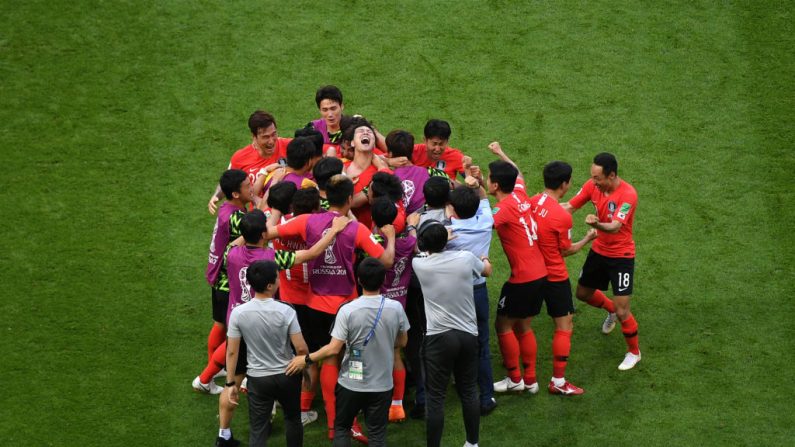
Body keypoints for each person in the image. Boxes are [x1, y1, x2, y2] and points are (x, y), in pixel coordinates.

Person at [271, 174, 396, 441]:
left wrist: (240, 241)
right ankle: (348, 420)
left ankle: (328, 421)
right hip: (346, 308)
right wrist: (391, 237)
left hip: (315, 305)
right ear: (351, 199)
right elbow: (385, 260)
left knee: (327, 359)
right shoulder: (357, 229)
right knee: (349, 361)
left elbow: (269, 232)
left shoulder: (306, 221)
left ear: (326, 196)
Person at [213, 210, 349, 447]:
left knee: (233, 381)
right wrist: (335, 230)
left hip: (238, 324)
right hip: (266, 324)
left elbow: (238, 241)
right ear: (264, 233)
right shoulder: (272, 258)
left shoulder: (231, 253)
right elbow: (312, 253)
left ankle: (223, 434)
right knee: (278, 370)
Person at [287, 258, 409, 447]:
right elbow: (402, 341)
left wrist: (307, 359)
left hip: (352, 382)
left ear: (358, 280)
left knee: (342, 428)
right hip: (382, 384)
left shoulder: (347, 310)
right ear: (384, 279)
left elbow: (334, 348)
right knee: (377, 434)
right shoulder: (396, 308)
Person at [413, 220, 491, 447]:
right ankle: (472, 443)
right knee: (468, 390)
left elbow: (418, 249)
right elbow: (487, 270)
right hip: (468, 335)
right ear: (446, 241)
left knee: (435, 398)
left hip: (438, 338)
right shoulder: (466, 258)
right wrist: (484, 258)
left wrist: (423, 232)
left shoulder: (420, 264)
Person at [562, 152, 641, 370]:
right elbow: (569, 206)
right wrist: (542, 209)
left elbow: (616, 226)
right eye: (592, 177)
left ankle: (634, 352)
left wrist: (596, 225)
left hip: (621, 257)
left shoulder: (628, 195)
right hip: (598, 251)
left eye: (598, 178)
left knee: (624, 309)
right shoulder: (592, 186)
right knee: (583, 294)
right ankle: (611, 310)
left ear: (612, 175)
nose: (593, 182)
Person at [528, 161, 598, 394]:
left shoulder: (532, 201)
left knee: (522, 325)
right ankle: (558, 382)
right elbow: (566, 250)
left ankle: (524, 378)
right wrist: (588, 237)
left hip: (530, 273)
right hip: (554, 276)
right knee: (564, 326)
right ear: (565, 184)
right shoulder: (562, 217)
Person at [486, 142, 549, 395]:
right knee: (524, 326)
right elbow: (518, 173)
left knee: (503, 326)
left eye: (489, 179)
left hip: (522, 278)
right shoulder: (520, 195)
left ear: (496, 185)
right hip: (540, 274)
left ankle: (514, 379)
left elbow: (481, 224)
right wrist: (501, 154)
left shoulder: (501, 210)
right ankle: (531, 380)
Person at [225, 260, 308, 447]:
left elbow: (232, 352)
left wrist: (230, 383)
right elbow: (301, 349)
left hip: (258, 379)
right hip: (288, 374)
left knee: (258, 428)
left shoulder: (238, 313)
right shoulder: (286, 310)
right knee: (293, 419)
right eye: (277, 278)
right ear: (270, 285)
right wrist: (307, 372)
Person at [445, 172, 498, 414]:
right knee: (482, 344)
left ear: (452, 209)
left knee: (454, 342)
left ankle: (462, 385)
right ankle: (487, 397)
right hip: (478, 291)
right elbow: (484, 200)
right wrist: (476, 184)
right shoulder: (486, 220)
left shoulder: (448, 231)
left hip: (453, 295)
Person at [195, 169, 250, 395]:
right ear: (236, 193)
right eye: (248, 185)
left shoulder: (226, 210)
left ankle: (211, 373)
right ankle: (206, 376)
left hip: (219, 279)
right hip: (231, 284)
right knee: (237, 337)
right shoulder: (239, 218)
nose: (252, 187)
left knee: (219, 324)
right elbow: (260, 230)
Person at [208, 110, 291, 213]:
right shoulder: (240, 158)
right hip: (260, 216)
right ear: (254, 136)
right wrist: (216, 196)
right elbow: (228, 180)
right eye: (265, 137)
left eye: (274, 134)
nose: (271, 141)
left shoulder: (289, 146)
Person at [384, 129, 447, 214]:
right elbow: (453, 185)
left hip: (401, 224)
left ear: (390, 154)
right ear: (411, 151)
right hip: (429, 220)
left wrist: (386, 161)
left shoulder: (386, 179)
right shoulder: (431, 172)